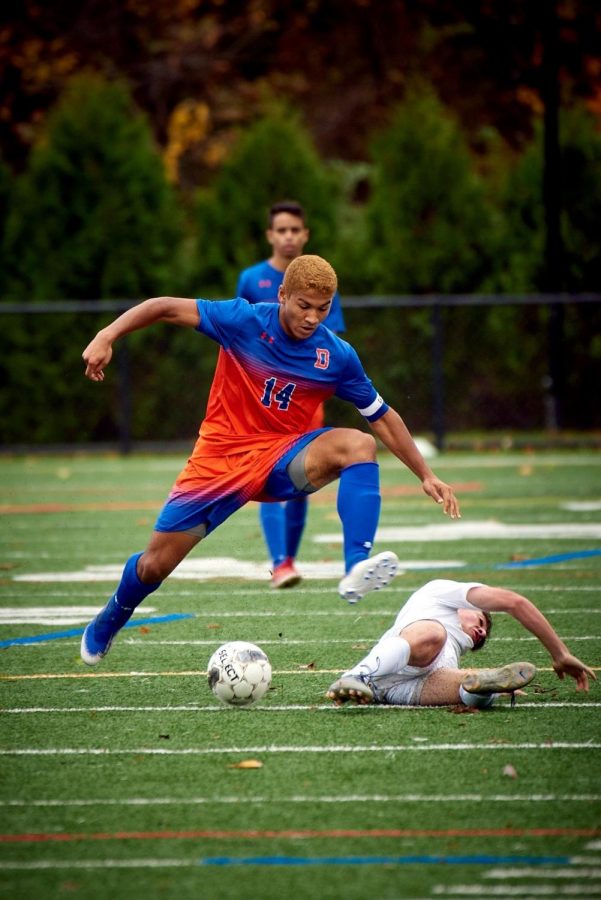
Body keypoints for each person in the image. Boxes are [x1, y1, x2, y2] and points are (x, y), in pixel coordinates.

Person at [80, 254, 460, 667]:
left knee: (358, 445)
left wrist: (426, 474)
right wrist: (107, 334)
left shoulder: (337, 356)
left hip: (281, 460)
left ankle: (356, 564)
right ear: (282, 295)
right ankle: (112, 616)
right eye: (303, 305)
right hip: (218, 461)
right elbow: (164, 307)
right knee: (154, 566)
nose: (313, 317)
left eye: (323, 308)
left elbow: (382, 416)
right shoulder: (242, 320)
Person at [236, 200, 346, 589]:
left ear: (305, 235)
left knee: (302, 482)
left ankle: (290, 560)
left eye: (294, 230)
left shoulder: (323, 285)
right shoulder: (251, 279)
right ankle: (279, 562)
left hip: (304, 402)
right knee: (263, 474)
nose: (288, 236)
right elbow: (241, 334)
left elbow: (332, 347)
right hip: (263, 403)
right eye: (280, 230)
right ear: (270, 235)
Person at [326, 578, 596, 708]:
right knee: (434, 635)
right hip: (389, 666)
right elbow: (516, 602)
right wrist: (560, 653)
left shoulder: (452, 653)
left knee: (472, 687)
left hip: (404, 689)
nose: (482, 629)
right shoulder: (439, 595)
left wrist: (494, 685)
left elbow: (441, 675)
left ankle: (484, 689)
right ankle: (355, 675)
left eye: (484, 633)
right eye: (480, 620)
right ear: (465, 605)